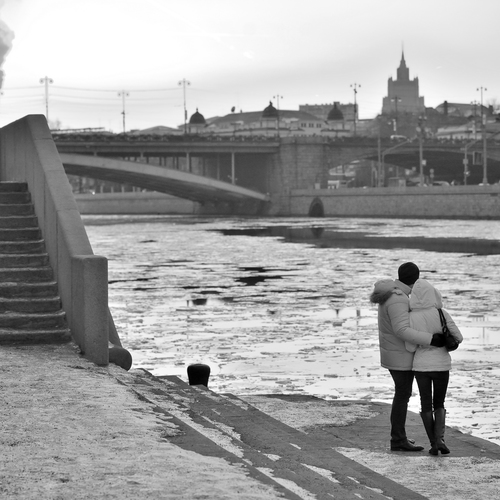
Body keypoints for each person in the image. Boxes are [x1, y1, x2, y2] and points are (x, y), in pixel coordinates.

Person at [370, 262, 447, 452]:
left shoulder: (395, 294)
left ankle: (399, 437)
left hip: (396, 353)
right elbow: (402, 330)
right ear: (416, 279)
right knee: (402, 394)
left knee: (402, 394)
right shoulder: (399, 299)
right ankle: (398, 439)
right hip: (400, 356)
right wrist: (432, 339)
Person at [406, 278, 463, 455]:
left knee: (425, 404)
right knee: (439, 402)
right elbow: (458, 338)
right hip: (441, 365)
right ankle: (440, 440)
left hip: (421, 367)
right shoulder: (441, 313)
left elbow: (410, 346)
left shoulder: (410, 316)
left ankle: (433, 443)